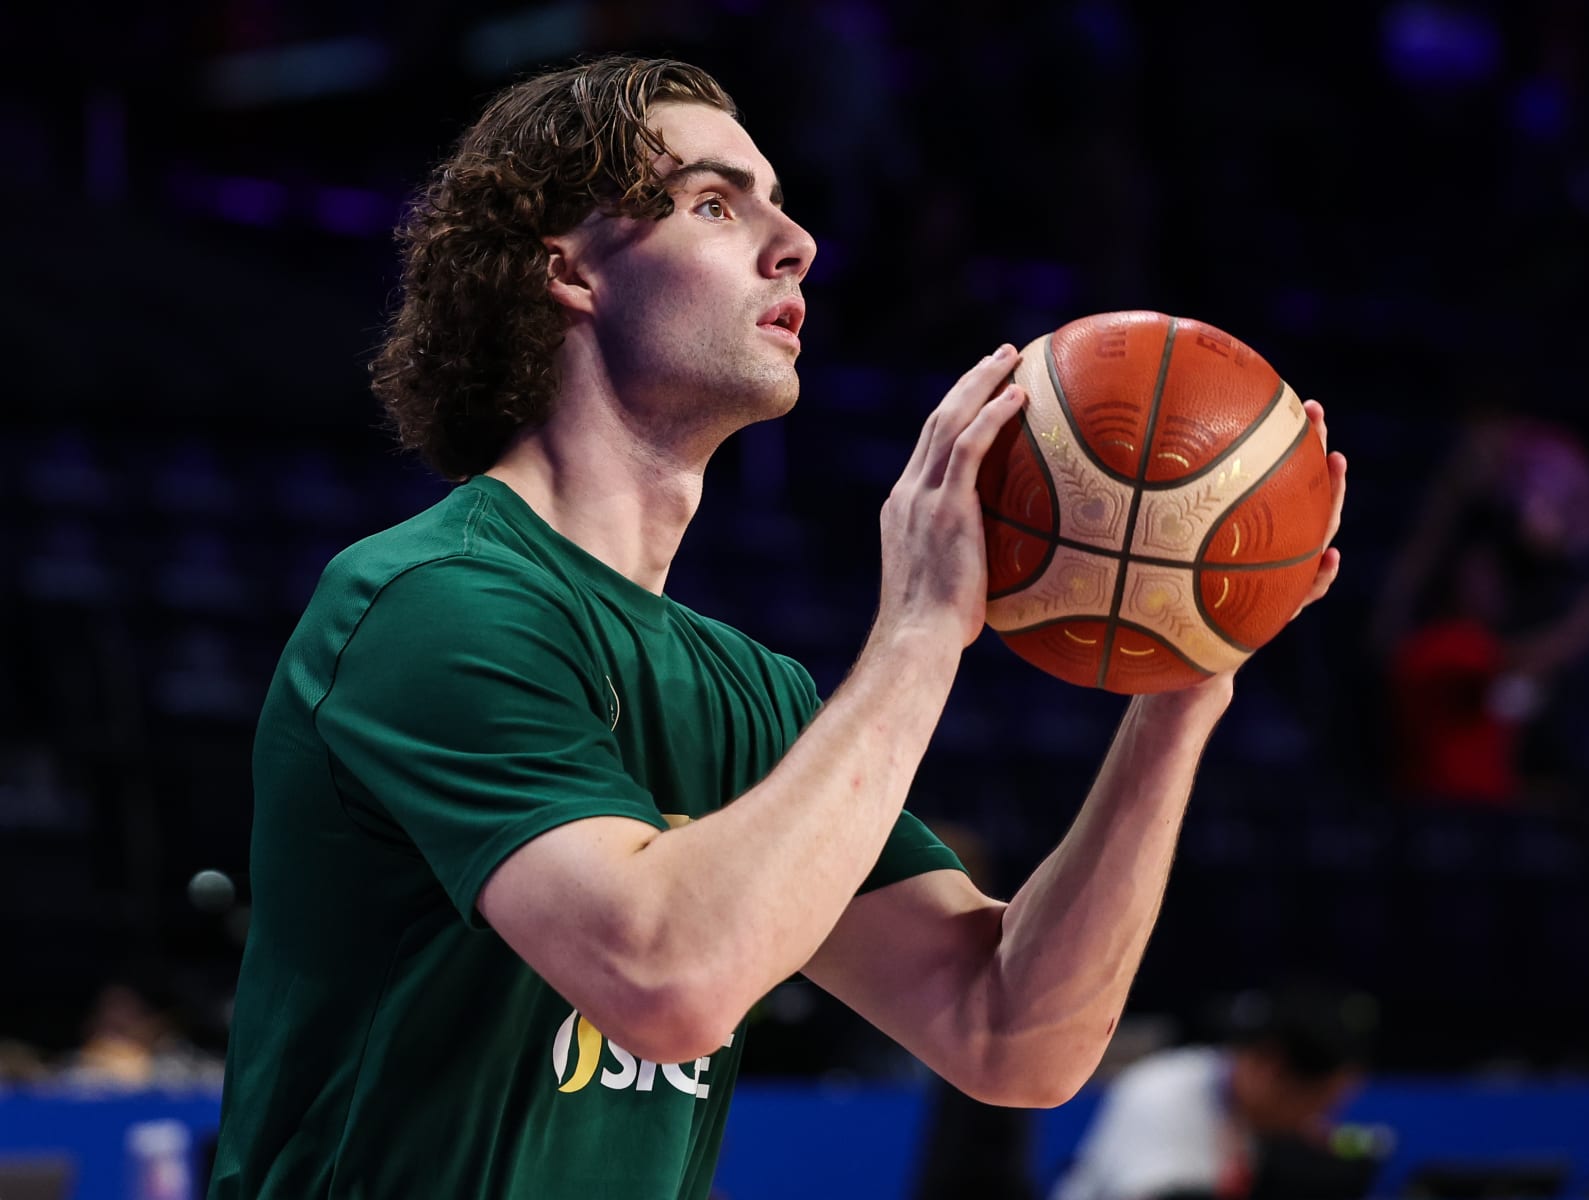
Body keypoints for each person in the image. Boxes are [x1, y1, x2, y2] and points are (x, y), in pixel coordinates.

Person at [207, 55, 1347, 1198]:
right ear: (568, 270)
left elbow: (1014, 1035)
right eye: (715, 203)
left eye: (779, 200)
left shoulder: (750, 694)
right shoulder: (429, 601)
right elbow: (667, 982)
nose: (794, 240)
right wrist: (916, 634)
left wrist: (1182, 695)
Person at [1050, 991, 1371, 1200]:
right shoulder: (1161, 1091)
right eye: (1321, 1101)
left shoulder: (1252, 1118)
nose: (1321, 1117)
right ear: (1270, 1068)